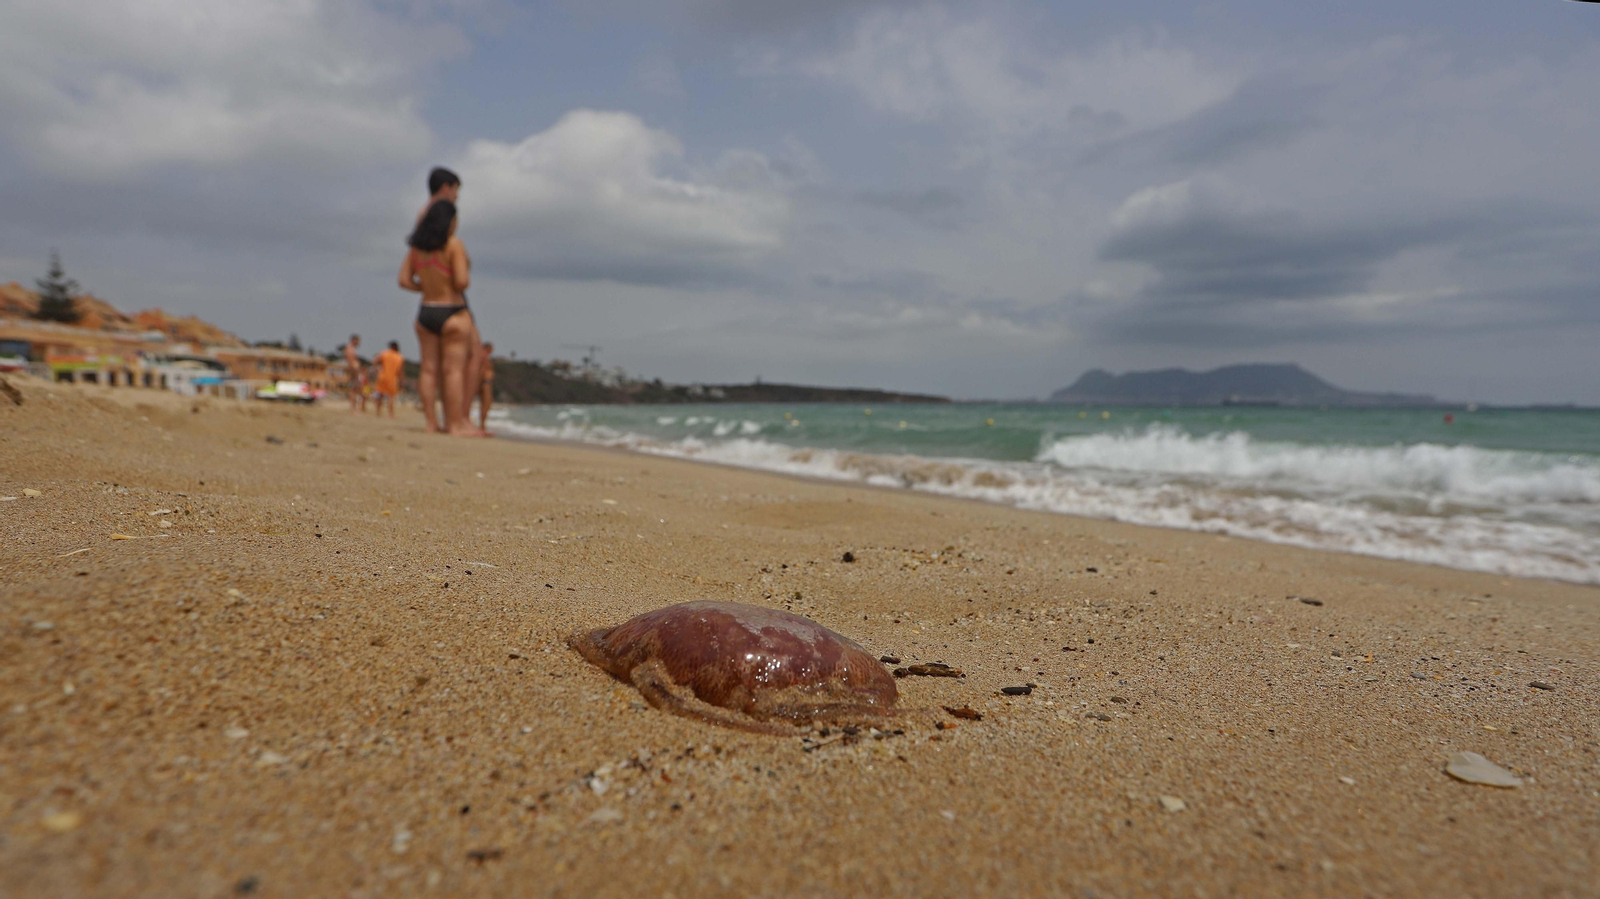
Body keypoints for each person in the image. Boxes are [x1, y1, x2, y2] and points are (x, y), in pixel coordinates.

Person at [399, 200, 486, 436]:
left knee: (428, 369)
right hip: (453, 310)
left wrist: (425, 287)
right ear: (450, 222)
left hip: (426, 310)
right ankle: (455, 424)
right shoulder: (454, 245)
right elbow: (461, 281)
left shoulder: (416, 248)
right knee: (453, 371)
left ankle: (430, 423)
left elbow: (404, 280)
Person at [372, 340, 405, 419]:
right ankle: (390, 414)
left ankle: (378, 411)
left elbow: (374, 361)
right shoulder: (399, 357)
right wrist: (402, 381)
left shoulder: (384, 353)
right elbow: (400, 371)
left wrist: (377, 370)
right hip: (392, 378)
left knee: (380, 394)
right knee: (391, 396)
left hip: (382, 376)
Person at [343, 335, 365, 413]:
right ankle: (353, 408)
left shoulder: (351, 349)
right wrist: (355, 371)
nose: (359, 343)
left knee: (356, 389)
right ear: (354, 340)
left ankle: (355, 408)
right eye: (357, 341)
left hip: (355, 371)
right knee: (354, 389)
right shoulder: (350, 349)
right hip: (354, 371)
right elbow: (351, 362)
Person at [476, 341, 495, 430]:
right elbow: (481, 369)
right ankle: (482, 425)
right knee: (486, 404)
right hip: (485, 382)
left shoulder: (483, 356)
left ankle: (482, 424)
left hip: (485, 381)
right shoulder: (483, 356)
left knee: (485, 405)